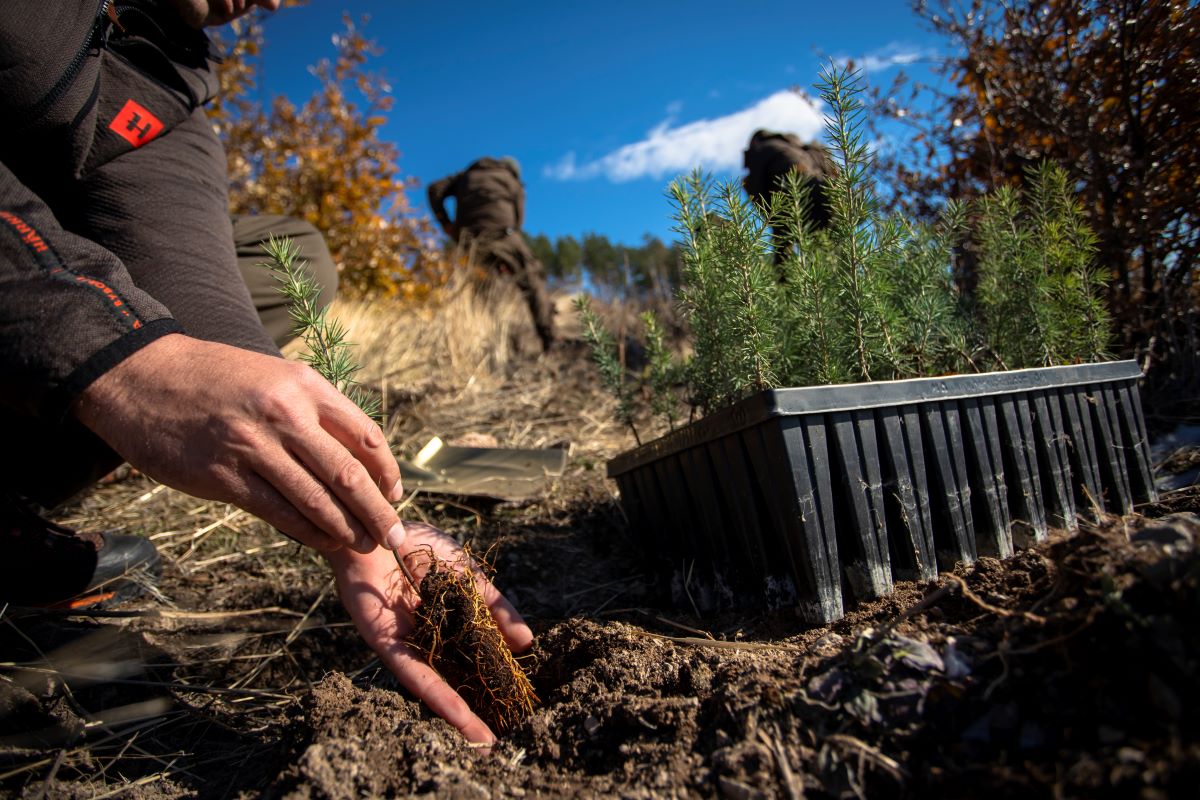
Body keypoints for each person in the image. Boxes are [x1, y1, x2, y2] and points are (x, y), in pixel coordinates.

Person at [0, 0, 529, 745]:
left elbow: (191, 284)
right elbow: (134, 346)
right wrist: (121, 356)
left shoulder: (166, 80)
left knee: (288, 261)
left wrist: (356, 533)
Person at [427, 157, 556, 350]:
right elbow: (519, 220)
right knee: (533, 280)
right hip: (504, 235)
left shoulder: (464, 176)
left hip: (469, 241)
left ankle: (484, 342)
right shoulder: (511, 180)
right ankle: (548, 337)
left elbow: (434, 189)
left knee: (482, 288)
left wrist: (446, 224)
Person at [742, 128, 836, 266]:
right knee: (830, 254)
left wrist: (771, 217)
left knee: (787, 249)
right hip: (827, 198)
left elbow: (757, 189)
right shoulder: (799, 149)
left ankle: (783, 284)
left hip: (793, 199)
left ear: (755, 142)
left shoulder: (762, 149)